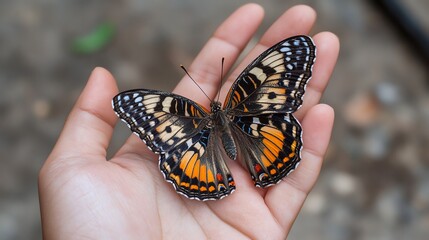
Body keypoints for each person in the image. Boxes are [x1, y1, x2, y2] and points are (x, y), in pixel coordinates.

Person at [38, 4, 339, 239]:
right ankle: (259, 166)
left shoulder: (182, 112)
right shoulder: (237, 94)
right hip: (260, 133)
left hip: (199, 149)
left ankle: (229, 176)